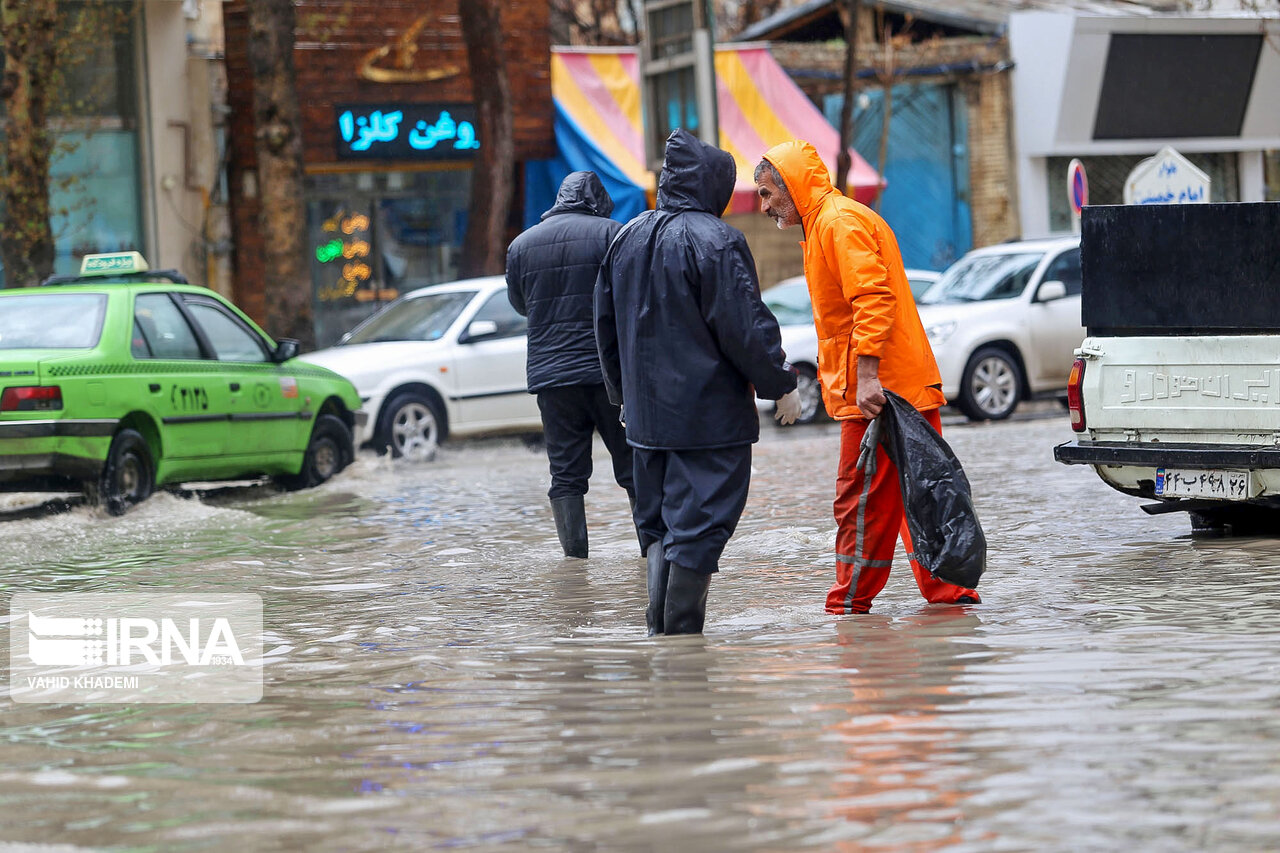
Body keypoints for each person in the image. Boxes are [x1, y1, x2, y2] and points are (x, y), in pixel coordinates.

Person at [755, 140, 981, 614]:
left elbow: (872, 301)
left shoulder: (837, 223)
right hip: (894, 388)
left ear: (792, 187)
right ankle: (949, 596)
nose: (763, 206)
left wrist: (868, 378)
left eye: (767, 193)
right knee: (915, 492)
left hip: (880, 394)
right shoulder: (832, 222)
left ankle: (848, 606)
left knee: (859, 500)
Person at [596, 128, 802, 636]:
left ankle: (663, 644)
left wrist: (621, 396)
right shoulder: (718, 241)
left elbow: (603, 326)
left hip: (645, 424)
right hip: (706, 424)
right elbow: (744, 325)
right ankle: (682, 644)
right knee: (700, 528)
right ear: (713, 185)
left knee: (660, 527)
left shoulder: (627, 235)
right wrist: (781, 383)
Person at [506, 171, 636, 559]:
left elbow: (519, 304)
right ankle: (654, 554)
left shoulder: (521, 246)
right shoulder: (613, 234)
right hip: (608, 376)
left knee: (565, 474)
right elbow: (631, 294)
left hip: (552, 379)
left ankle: (575, 565)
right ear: (598, 200)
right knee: (633, 465)